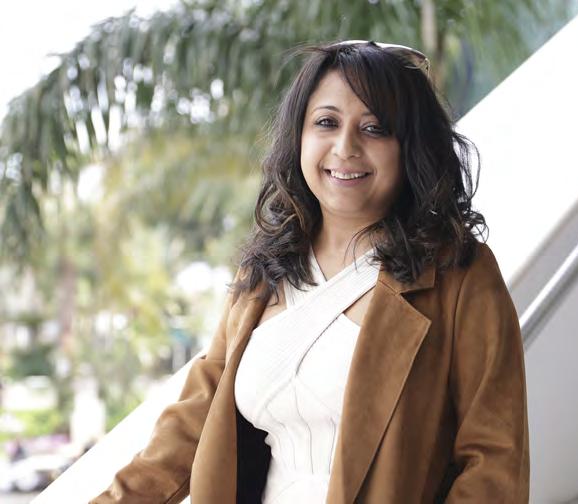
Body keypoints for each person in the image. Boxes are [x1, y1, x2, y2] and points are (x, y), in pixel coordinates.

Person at [92, 40, 529, 503]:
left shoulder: (460, 275)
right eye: (326, 122)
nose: (346, 147)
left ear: (410, 146)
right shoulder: (262, 274)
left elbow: (495, 463)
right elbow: (191, 426)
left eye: (375, 128)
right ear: (299, 136)